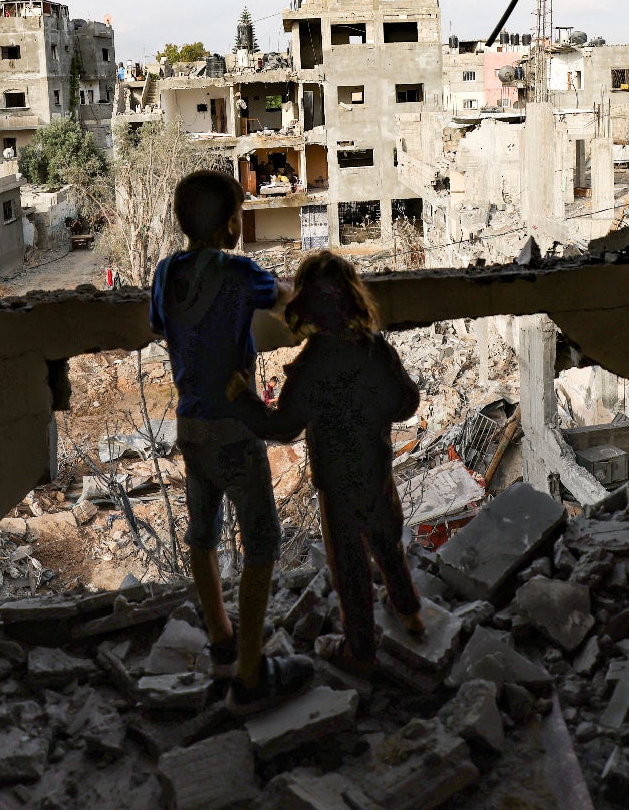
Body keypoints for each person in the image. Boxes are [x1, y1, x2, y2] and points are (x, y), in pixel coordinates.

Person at [149, 169, 316, 705]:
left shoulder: (164, 273)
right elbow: (285, 299)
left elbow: (161, 326)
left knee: (203, 534)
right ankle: (250, 673)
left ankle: (221, 640)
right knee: (261, 540)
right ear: (229, 226)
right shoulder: (241, 273)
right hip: (235, 428)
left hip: (189, 426)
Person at [277, 251, 427, 676]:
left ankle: (360, 648)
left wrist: (240, 402)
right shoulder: (374, 350)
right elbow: (407, 402)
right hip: (375, 470)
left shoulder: (309, 365)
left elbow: (285, 427)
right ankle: (410, 613)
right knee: (387, 544)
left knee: (350, 567)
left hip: (335, 484)